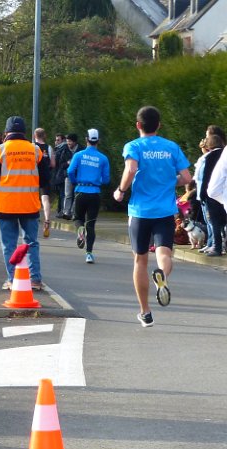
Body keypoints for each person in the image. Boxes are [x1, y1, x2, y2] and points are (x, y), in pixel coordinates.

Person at [112, 106, 191, 327]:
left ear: (138, 125)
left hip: (140, 211)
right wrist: (169, 181)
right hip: (165, 211)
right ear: (159, 125)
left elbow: (131, 169)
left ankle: (145, 313)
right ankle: (162, 274)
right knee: (164, 254)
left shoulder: (133, 146)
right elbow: (187, 177)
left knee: (140, 259)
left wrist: (121, 190)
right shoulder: (171, 147)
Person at [0, 116, 48, 291]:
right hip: (30, 205)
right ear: (25, 132)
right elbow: (45, 180)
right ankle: (35, 279)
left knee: (9, 245)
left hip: (6, 206)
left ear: (6, 132)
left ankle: (13, 280)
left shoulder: (0, 151)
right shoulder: (36, 151)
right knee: (31, 243)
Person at [67, 128, 111, 263]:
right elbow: (106, 179)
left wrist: (75, 181)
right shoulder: (103, 158)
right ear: (99, 141)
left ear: (86, 139)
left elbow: (70, 171)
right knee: (91, 224)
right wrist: (98, 181)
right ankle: (89, 254)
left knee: (77, 218)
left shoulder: (78, 155)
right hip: (95, 193)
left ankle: (80, 230)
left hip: (80, 190)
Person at [33, 128, 56, 238]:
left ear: (34, 136)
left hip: (33, 175)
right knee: (45, 199)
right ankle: (47, 220)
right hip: (45, 175)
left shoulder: (32, 147)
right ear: (44, 136)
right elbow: (53, 164)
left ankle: (33, 217)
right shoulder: (49, 148)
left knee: (33, 197)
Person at [59, 133, 80, 219]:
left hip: (79, 176)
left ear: (75, 142)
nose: (68, 143)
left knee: (77, 195)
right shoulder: (65, 150)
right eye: (67, 142)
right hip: (68, 175)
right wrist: (67, 163)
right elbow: (61, 164)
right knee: (67, 194)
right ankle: (66, 212)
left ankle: (74, 212)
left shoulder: (81, 150)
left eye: (70, 142)